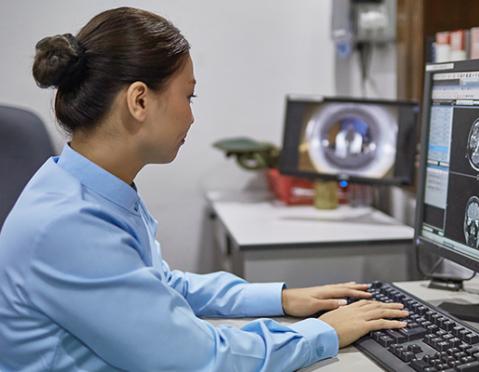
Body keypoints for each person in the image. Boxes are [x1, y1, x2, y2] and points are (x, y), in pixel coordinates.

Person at [0, 7, 408, 371]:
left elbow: (162, 286)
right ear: (139, 101)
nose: (191, 118)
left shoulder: (85, 188)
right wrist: (323, 334)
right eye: (188, 96)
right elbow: (197, 359)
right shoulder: (70, 225)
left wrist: (281, 299)